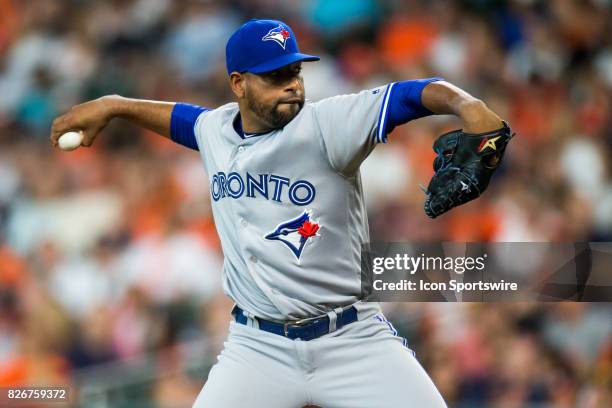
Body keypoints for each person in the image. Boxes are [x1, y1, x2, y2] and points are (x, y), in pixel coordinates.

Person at [51, 18, 504, 408]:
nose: (292, 83)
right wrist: (114, 105)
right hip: (257, 346)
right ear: (238, 83)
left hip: (351, 338)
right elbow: (182, 120)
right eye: (274, 75)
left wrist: (469, 106)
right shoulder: (216, 129)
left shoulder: (327, 124)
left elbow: (408, 95)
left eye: (294, 71)